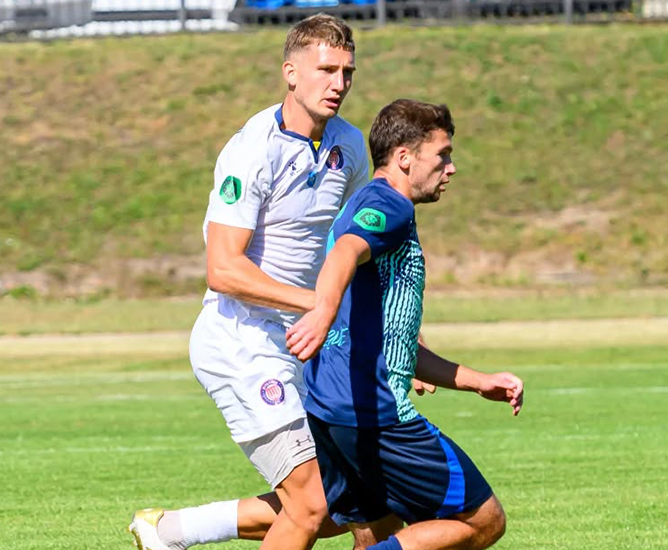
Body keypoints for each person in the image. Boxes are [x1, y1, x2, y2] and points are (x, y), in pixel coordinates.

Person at [128, 14, 373, 550]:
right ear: (291, 73)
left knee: (359, 502)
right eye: (326, 70)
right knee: (312, 504)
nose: (339, 83)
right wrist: (322, 303)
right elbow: (224, 269)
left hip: (304, 341)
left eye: (347, 72)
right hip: (241, 341)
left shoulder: (350, 145)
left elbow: (352, 247)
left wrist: (389, 336)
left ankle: (169, 531)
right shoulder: (253, 149)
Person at [285, 99, 523, 550]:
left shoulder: (362, 202)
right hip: (374, 412)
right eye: (442, 155)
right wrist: (322, 313)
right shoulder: (390, 205)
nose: (451, 168)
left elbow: (394, 346)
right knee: (483, 520)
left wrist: (477, 382)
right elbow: (345, 252)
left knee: (376, 534)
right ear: (404, 158)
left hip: (329, 407)